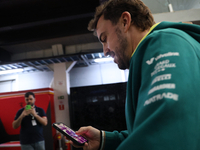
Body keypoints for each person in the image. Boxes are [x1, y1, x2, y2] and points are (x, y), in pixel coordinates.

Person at [69, 0, 200, 150]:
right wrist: (106, 140)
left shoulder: (164, 42)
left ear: (125, 22)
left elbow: (167, 132)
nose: (105, 50)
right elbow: (152, 130)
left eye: (104, 39)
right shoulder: (152, 52)